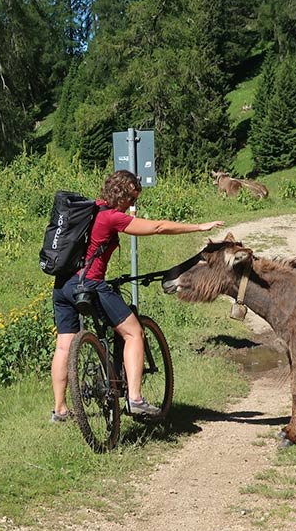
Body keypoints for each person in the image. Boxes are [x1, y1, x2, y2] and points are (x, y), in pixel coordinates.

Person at [51, 170, 225, 422]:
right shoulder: (110, 217)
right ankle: (135, 399)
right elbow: (158, 227)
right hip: (89, 284)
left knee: (63, 347)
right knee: (134, 332)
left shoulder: (90, 211)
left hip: (62, 286)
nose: (133, 205)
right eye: (132, 199)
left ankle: (60, 410)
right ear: (122, 196)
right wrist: (199, 227)